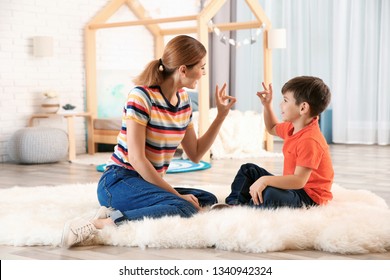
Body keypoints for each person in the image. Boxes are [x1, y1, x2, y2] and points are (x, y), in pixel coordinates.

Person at [61, 35, 236, 248]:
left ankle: (117, 210)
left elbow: (196, 153)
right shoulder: (141, 96)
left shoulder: (184, 101)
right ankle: (99, 224)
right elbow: (136, 159)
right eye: (201, 67)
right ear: (183, 69)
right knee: (185, 206)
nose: (204, 73)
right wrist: (176, 197)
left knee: (205, 198)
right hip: (118, 180)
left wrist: (220, 116)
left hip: (146, 182)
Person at [222, 76, 334, 209]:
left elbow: (299, 181)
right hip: (294, 188)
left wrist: (265, 180)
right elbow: (271, 128)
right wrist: (267, 105)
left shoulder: (310, 140)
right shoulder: (292, 126)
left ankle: (252, 208)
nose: (281, 104)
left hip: (309, 197)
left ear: (303, 108)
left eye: (285, 100)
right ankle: (234, 205)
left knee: (269, 193)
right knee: (248, 170)